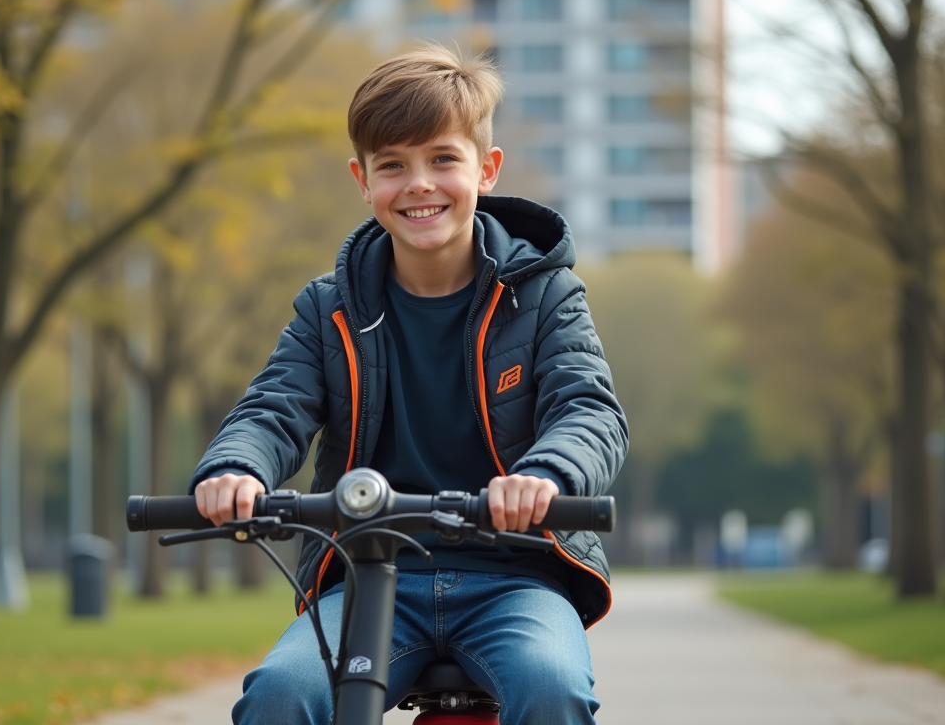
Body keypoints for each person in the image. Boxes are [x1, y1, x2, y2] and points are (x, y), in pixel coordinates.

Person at [189, 44, 628, 725]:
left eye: (443, 159)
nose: (419, 184)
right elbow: (274, 407)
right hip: (369, 577)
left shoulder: (548, 295)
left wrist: (545, 475)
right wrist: (235, 468)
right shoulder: (329, 308)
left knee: (551, 687)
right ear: (363, 181)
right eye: (392, 165)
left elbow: (588, 409)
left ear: (486, 169)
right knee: (278, 694)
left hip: (517, 576)